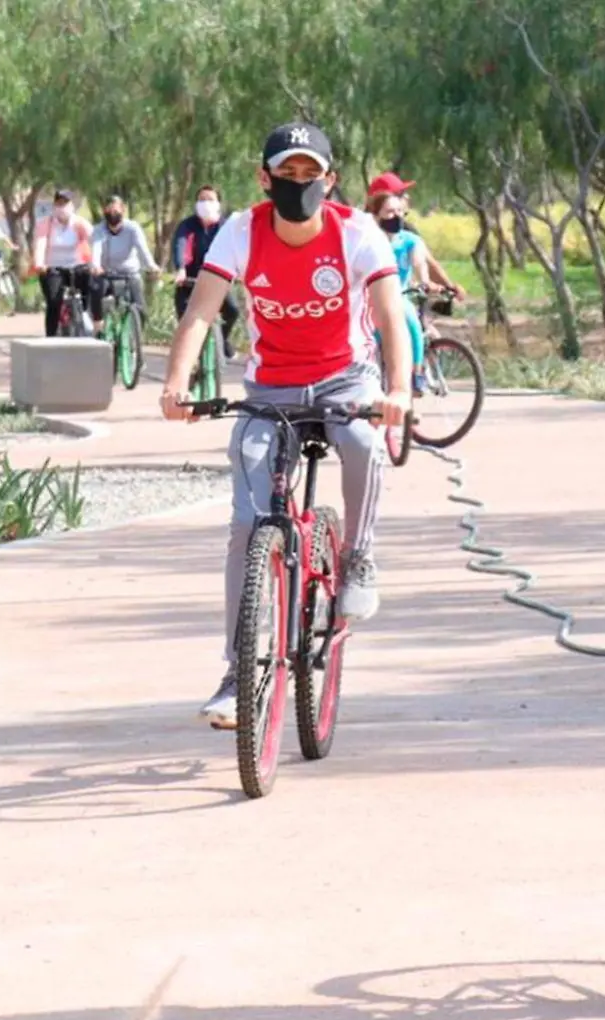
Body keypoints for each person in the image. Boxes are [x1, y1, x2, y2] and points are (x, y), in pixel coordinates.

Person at [159, 122, 414, 727]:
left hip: (345, 380)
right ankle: (237, 673)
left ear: (330, 179)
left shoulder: (357, 232)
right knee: (247, 525)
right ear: (263, 176)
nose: (297, 183)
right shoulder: (240, 231)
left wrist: (398, 391)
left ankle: (360, 558)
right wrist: (177, 385)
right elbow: (201, 311)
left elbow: (388, 316)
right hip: (270, 385)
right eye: (286, 172)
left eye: (309, 173)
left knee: (361, 442)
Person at [365, 191, 432, 392]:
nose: (396, 216)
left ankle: (417, 374)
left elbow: (420, 265)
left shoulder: (410, 241)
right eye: (390, 212)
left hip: (399, 296)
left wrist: (424, 282)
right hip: (371, 298)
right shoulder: (368, 240)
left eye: (400, 211)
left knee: (412, 324)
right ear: (376, 215)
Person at [366, 172, 466, 300]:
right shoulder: (366, 235)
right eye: (401, 194)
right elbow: (430, 264)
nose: (407, 197)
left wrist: (447, 287)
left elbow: (423, 262)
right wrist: (449, 287)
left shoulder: (405, 233)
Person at [169, 186, 241, 359]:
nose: (205, 203)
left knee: (232, 310)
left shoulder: (226, 226)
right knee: (186, 325)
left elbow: (236, 248)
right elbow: (180, 244)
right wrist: (180, 269)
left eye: (210, 199)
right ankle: (191, 364)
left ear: (218, 204)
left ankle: (222, 340)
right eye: (202, 199)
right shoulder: (188, 225)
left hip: (218, 280)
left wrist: (239, 271)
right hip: (190, 281)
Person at [89, 195, 160, 333]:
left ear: (123, 210)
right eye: (109, 210)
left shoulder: (133, 228)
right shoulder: (99, 230)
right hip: (106, 273)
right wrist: (95, 266)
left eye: (116, 210)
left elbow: (142, 249)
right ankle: (98, 325)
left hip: (129, 273)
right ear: (104, 212)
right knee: (96, 288)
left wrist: (151, 266)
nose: (112, 214)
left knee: (140, 307)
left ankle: (136, 338)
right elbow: (96, 249)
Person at [30, 189, 96, 335]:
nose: (62, 207)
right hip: (52, 269)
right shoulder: (45, 224)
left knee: (91, 285)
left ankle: (86, 315)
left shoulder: (79, 223)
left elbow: (94, 241)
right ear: (54, 206)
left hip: (76, 266)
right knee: (54, 303)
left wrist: (96, 264)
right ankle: (51, 338)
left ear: (72, 206)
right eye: (58, 203)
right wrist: (39, 263)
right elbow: (40, 244)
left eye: (65, 203)